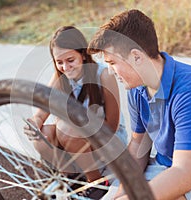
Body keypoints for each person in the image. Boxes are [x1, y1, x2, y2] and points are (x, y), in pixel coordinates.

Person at [87, 9, 191, 200]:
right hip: (167, 164)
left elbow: (185, 175)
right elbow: (138, 148)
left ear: (136, 57)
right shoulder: (137, 87)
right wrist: (121, 195)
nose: (109, 72)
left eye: (112, 63)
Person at [24, 26, 128, 199]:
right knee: (41, 135)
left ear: (84, 54)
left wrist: (77, 127)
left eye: (70, 59)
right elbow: (41, 113)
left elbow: (112, 124)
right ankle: (71, 177)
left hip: (107, 140)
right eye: (59, 62)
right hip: (76, 144)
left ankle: (96, 182)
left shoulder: (103, 75)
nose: (65, 67)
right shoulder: (60, 77)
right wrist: (34, 122)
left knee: (66, 127)